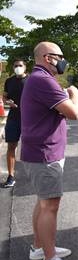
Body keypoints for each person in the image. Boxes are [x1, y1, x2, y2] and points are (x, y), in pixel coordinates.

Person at [21, 42, 78, 260]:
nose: (63, 61)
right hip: (45, 153)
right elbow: (74, 113)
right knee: (50, 206)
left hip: (43, 151)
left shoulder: (38, 79)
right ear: (48, 58)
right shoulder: (43, 80)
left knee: (42, 201)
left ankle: (39, 246)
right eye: (60, 56)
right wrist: (74, 94)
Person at [2, 59, 28, 188]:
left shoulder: (31, 80)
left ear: (25, 67)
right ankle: (11, 176)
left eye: (20, 65)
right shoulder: (9, 81)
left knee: (31, 146)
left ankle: (35, 173)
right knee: (11, 146)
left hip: (29, 118)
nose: (18, 67)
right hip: (13, 118)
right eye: (15, 66)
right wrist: (8, 102)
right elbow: (4, 96)